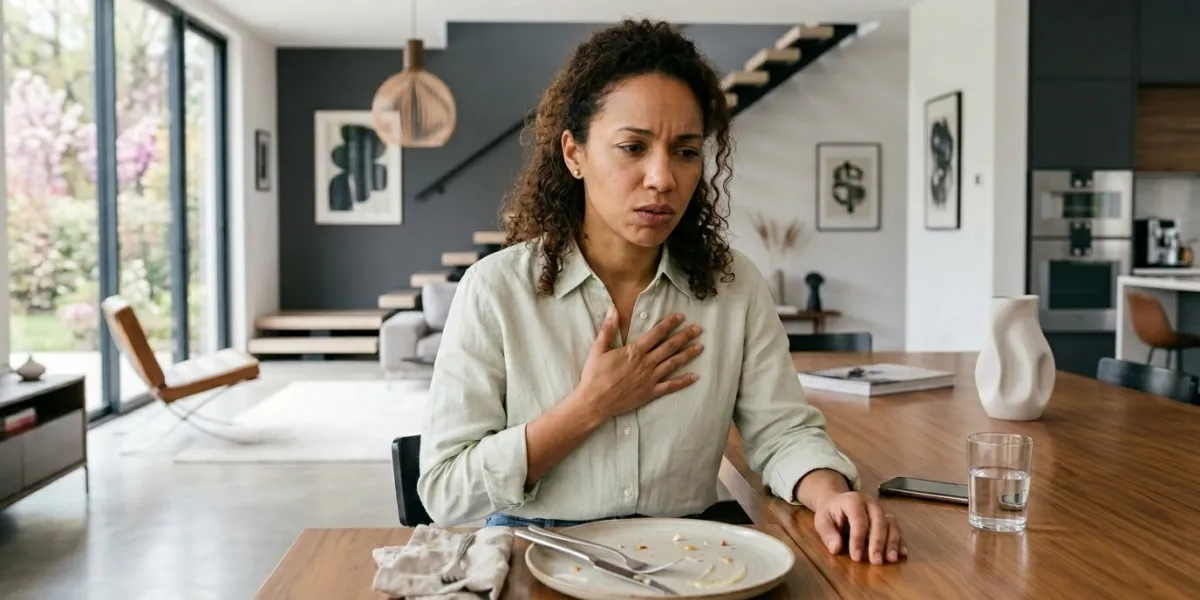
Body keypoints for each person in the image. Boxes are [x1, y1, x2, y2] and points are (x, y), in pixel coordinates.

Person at [417, 19, 905, 565]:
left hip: (687, 557)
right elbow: (445, 490)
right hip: (536, 553)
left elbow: (784, 433)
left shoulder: (734, 287)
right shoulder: (495, 290)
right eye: (633, 147)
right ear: (574, 153)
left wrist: (830, 495)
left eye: (686, 151)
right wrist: (586, 409)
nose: (662, 178)